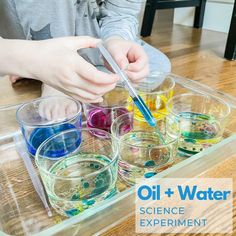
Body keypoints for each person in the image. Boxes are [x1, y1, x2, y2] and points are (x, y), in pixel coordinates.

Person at [0, 0, 171, 104]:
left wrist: (116, 40)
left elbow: (121, 12)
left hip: (90, 33)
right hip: (32, 32)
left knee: (156, 67)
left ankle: (58, 71)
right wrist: (23, 56)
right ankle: (51, 78)